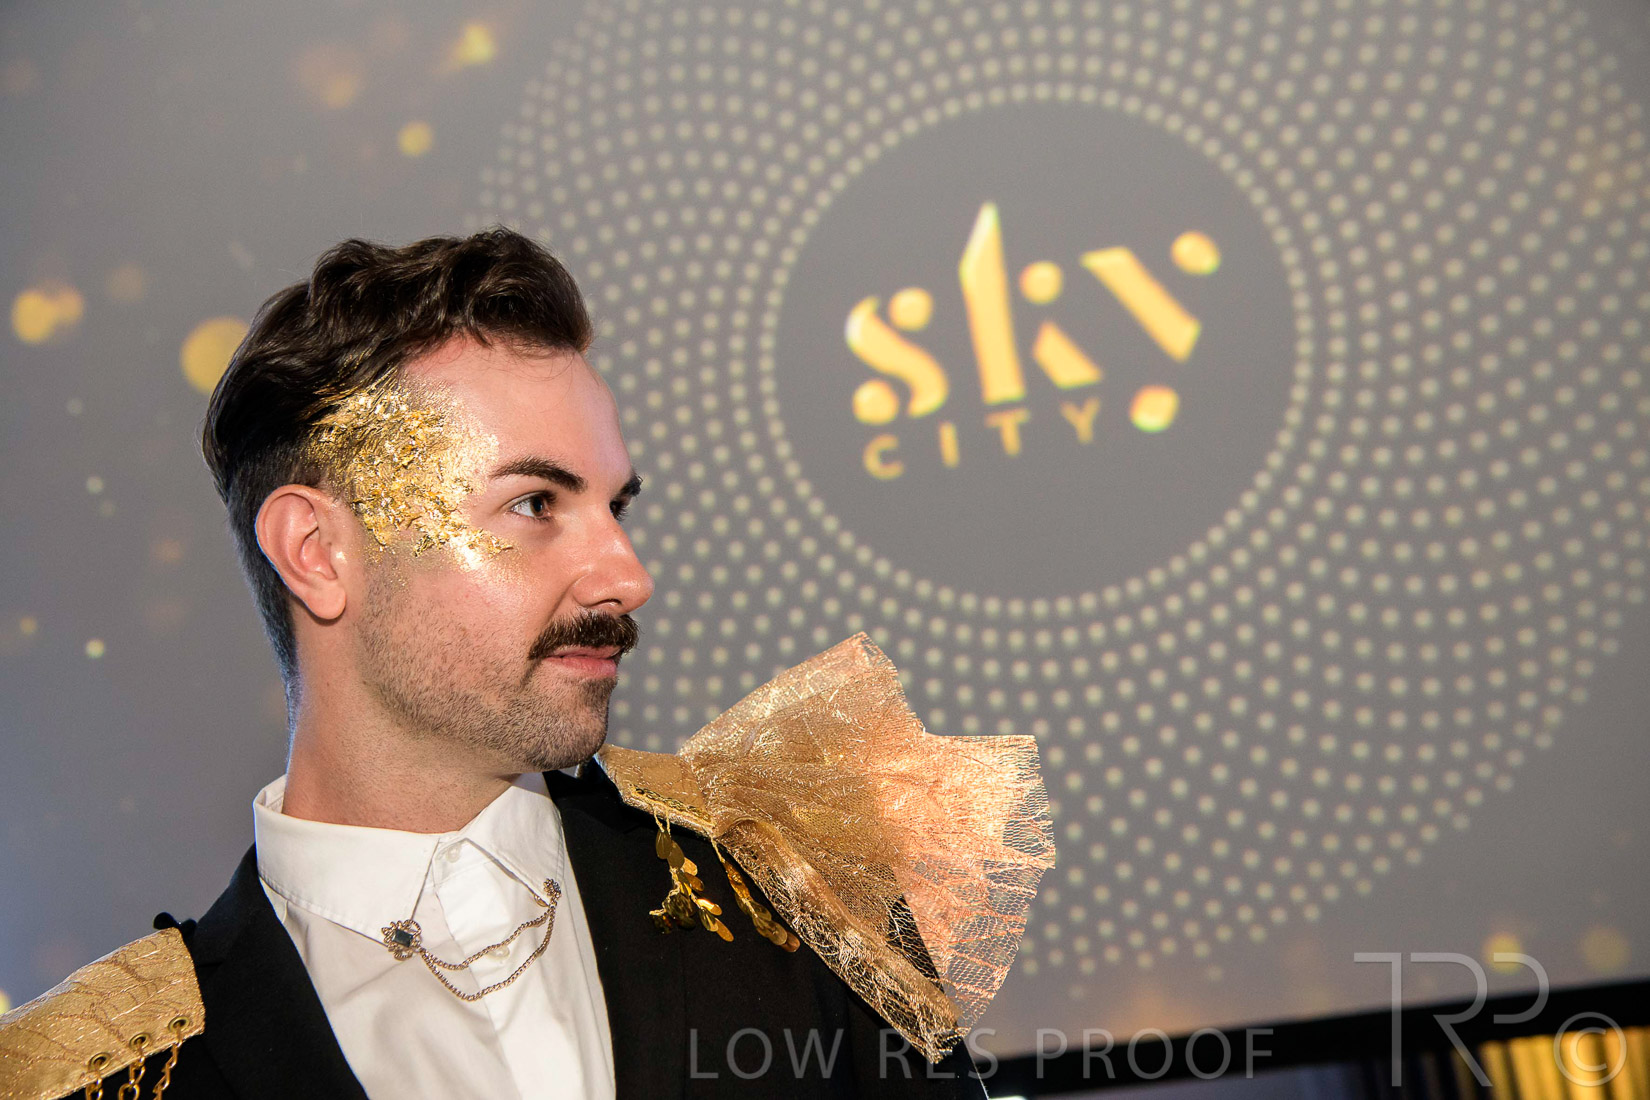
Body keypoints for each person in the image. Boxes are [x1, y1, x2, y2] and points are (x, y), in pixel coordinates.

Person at [0, 229, 1051, 1100]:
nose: (627, 575)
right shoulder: (111, 1078)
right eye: (536, 503)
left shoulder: (792, 887)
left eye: (615, 505)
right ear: (316, 552)